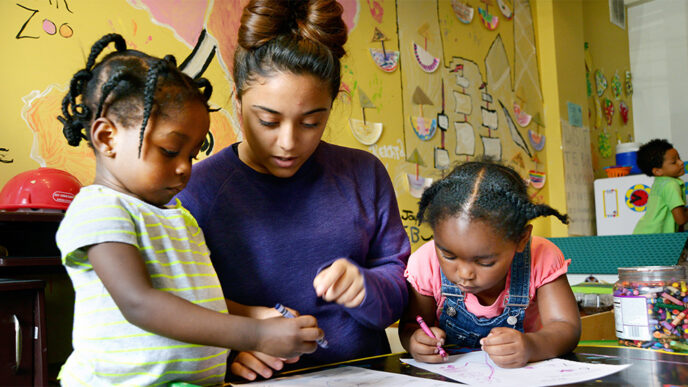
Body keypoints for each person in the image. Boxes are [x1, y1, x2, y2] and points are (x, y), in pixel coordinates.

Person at [55, 33, 322, 386]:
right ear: (107, 138)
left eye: (192, 154)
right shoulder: (98, 209)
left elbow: (197, 299)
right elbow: (140, 303)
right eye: (169, 150)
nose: (185, 168)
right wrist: (254, 336)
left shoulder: (178, 215)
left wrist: (261, 317)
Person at [176, 0, 410, 380]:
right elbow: (175, 306)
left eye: (311, 122)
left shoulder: (363, 175)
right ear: (237, 100)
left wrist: (368, 287)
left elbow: (401, 288)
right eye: (268, 120)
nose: (288, 142)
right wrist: (232, 351)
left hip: (367, 376)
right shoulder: (196, 192)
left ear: (332, 106)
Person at [399, 161, 581, 368]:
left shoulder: (542, 258)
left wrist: (532, 345)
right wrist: (416, 341)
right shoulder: (425, 262)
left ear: (521, 239)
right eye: (448, 256)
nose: (465, 273)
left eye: (485, 262)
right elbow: (410, 326)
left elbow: (566, 328)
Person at [633, 139, 687, 234]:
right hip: (655, 239)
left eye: (679, 158)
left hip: (644, 234)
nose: (681, 162)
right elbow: (681, 220)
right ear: (658, 171)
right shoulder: (671, 185)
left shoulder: (659, 182)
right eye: (674, 162)